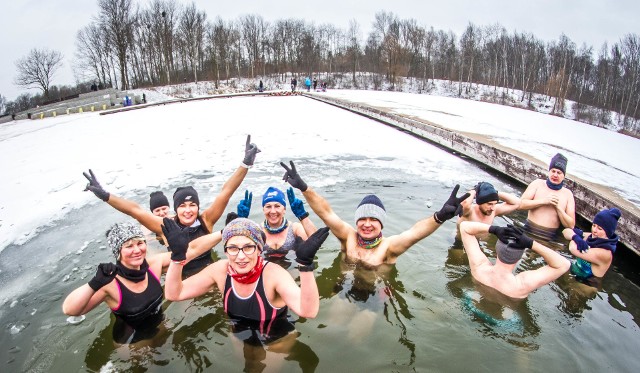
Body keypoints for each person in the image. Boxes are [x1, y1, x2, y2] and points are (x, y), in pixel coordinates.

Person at [83, 135, 260, 274]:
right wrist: (106, 196)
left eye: (192, 205)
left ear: (198, 207)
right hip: (180, 279)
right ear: (176, 209)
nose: (188, 210)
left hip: (210, 273)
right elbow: (135, 210)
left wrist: (245, 164)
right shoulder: (165, 226)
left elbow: (226, 192)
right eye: (183, 206)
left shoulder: (206, 220)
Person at [164, 217, 330, 344]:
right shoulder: (220, 271)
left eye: (248, 247)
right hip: (239, 332)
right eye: (233, 248)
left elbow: (309, 311)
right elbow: (174, 293)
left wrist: (305, 266)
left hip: (276, 338)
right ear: (226, 251)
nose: (241, 256)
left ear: (259, 249)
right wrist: (178, 258)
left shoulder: (273, 274)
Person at [280, 160, 470, 267]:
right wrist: (305, 188)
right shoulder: (348, 237)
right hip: (344, 286)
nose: (367, 224)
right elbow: (326, 213)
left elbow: (415, 233)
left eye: (373, 220)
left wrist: (440, 217)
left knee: (357, 334)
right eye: (362, 219)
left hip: (375, 297)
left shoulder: (389, 247)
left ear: (382, 224)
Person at [62, 220, 212, 343]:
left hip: (159, 325)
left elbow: (193, 251)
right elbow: (70, 310)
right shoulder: (110, 282)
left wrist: (225, 233)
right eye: (129, 246)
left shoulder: (154, 265)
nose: (137, 250)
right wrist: (94, 284)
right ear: (117, 252)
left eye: (140, 243)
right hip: (132, 342)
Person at [459, 221, 570, 299]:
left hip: (474, 304)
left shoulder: (479, 267)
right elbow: (563, 264)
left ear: (497, 250)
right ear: (519, 257)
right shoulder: (522, 285)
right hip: (501, 322)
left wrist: (494, 229)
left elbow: (464, 227)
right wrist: (531, 243)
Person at [235, 187, 317, 259]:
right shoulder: (257, 230)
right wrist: (241, 221)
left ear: (284, 209)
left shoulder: (294, 228)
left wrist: (302, 216)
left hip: (292, 268)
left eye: (277, 206)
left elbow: (315, 241)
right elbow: (238, 248)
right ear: (263, 209)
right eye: (268, 206)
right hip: (265, 270)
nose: (273, 211)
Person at [519, 153, 575, 240]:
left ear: (564, 176)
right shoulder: (537, 184)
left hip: (550, 236)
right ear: (549, 172)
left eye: (559, 172)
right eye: (553, 171)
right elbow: (521, 204)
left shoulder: (567, 194)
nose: (555, 175)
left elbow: (571, 225)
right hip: (528, 230)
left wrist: (559, 208)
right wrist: (544, 201)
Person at [562, 208, 621, 288]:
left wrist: (575, 237)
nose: (594, 230)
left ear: (608, 232)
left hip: (588, 285)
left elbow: (572, 249)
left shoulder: (605, 253)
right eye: (594, 225)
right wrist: (575, 237)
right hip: (575, 272)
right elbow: (566, 231)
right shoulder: (591, 237)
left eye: (599, 228)